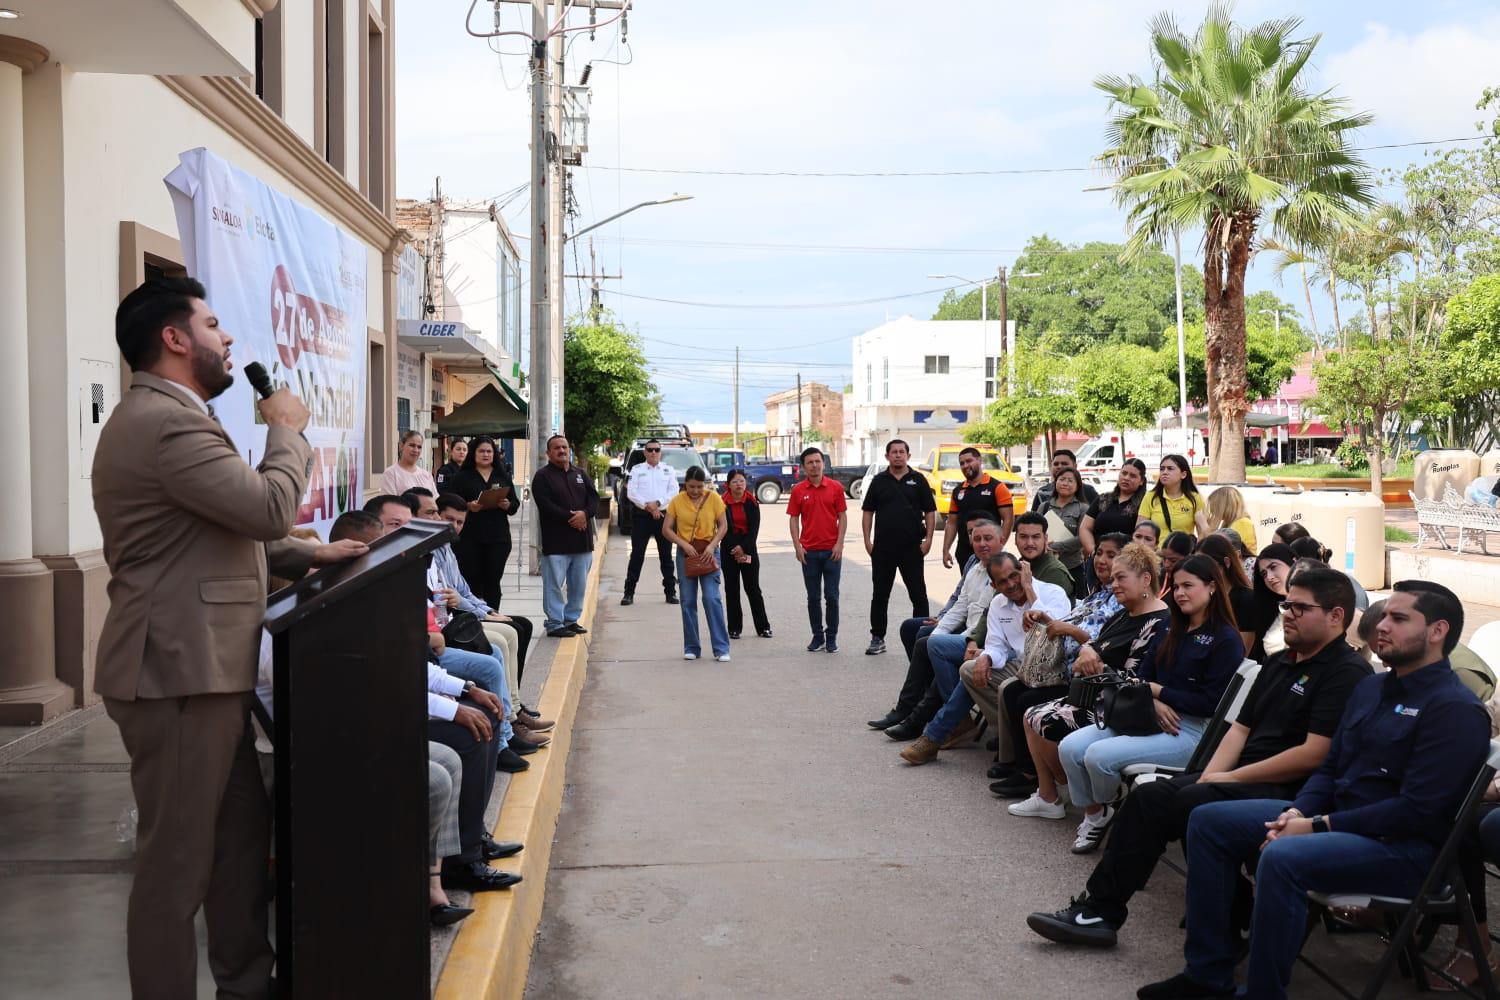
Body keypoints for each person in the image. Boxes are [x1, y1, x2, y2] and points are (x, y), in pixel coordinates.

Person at [93, 276, 366, 999]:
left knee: (239, 842)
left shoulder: (175, 419)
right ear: (176, 339)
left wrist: (314, 555)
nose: (229, 339)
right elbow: (269, 507)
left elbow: (218, 535)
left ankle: (246, 982)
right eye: (214, 325)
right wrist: (287, 428)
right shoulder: (165, 423)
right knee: (175, 867)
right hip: (176, 673)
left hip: (207, 668)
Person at [1138, 581, 1488, 1000]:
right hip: (1338, 821)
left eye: (1399, 618)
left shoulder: (1455, 709)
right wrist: (1299, 812)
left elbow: (1416, 812)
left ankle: (1263, 993)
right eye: (1383, 615)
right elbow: (1332, 766)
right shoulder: (1373, 687)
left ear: (1438, 632)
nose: (1382, 626)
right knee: (1208, 821)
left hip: (1403, 851)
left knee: (1284, 856)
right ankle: (1206, 975)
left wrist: (1316, 826)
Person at [1026, 567, 1370, 949]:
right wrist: (1212, 775)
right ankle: (1100, 911)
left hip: (1291, 790)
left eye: (1299, 608)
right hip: (1241, 777)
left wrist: (1227, 780)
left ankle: (1227, 921)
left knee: (1190, 803)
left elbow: (1312, 754)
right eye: (1287, 604)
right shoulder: (1282, 661)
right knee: (1151, 797)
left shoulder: (1347, 673)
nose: (1286, 613)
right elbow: (1239, 729)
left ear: (1336, 616)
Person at [1058, 554, 1244, 854]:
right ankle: (1098, 814)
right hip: (1146, 712)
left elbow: (1210, 703)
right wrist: (1153, 698)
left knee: (1097, 757)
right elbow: (1142, 677)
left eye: (1189, 586)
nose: (1180, 593)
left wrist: (1159, 692)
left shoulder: (1225, 639)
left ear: (1212, 587)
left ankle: (1118, 812)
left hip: (1190, 729)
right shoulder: (1173, 628)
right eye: (1177, 586)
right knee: (1069, 748)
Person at [997, 541, 1170, 808]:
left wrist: (1097, 664)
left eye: (1121, 578)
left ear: (1146, 579)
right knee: (1030, 714)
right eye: (1113, 579)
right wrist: (1089, 651)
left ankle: (1092, 804)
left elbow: (1136, 676)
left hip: (1122, 703)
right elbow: (1094, 644)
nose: (1114, 585)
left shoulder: (1159, 622)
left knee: (1042, 718)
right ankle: (1048, 796)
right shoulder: (1125, 615)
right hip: (1098, 692)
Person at [899, 552, 1071, 765]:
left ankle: (937, 735)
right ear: (994, 585)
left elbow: (1054, 633)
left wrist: (1029, 589)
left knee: (1005, 685)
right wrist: (987, 657)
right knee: (970, 668)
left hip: (1052, 669)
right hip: (1020, 667)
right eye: (1002, 582)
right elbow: (996, 645)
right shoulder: (998, 603)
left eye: (1014, 576)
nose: (1010, 584)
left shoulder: (1053, 592)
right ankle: (1002, 732)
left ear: (1024, 571)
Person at [432, 493, 550, 737]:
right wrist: (483, 613)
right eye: (447, 519)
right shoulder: (429, 554)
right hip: (450, 626)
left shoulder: (447, 548)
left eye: (459, 522)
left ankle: (515, 709)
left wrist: (488, 610)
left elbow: (462, 589)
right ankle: (510, 719)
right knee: (504, 637)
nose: (453, 527)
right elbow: (451, 598)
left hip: (459, 616)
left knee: (521, 626)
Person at [876, 519, 1006, 740]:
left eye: (988, 538)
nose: (982, 544)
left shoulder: (1004, 571)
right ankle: (923, 708)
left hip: (986, 639)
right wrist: (939, 633)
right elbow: (959, 606)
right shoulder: (975, 568)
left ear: (1002, 540)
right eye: (977, 539)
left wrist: (955, 641)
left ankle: (935, 713)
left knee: (931, 644)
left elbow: (985, 622)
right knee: (924, 636)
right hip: (970, 632)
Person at [861, 439, 936, 655]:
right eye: (893, 452)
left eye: (901, 452)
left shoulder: (919, 480)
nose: (898, 455)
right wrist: (867, 540)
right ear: (887, 456)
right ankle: (877, 638)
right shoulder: (879, 481)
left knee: (918, 594)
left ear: (908, 456)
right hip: (883, 549)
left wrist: (929, 539)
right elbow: (868, 512)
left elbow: (930, 511)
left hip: (912, 548)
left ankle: (921, 638)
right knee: (880, 595)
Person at [531, 434, 599, 638]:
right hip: (556, 543)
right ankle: (554, 623)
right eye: (557, 448)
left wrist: (585, 514)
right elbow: (545, 505)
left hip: (582, 542)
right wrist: (573, 518)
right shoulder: (542, 477)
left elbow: (593, 498)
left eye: (565, 447)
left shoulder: (580, 473)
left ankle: (570, 620)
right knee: (554, 586)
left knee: (578, 585)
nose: (562, 450)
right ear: (548, 453)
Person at [662, 466, 731, 662]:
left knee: (711, 598)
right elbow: (666, 529)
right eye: (692, 487)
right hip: (686, 554)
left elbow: (723, 525)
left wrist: (712, 546)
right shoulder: (676, 501)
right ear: (685, 485)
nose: (695, 491)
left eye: (699, 486)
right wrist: (683, 544)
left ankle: (721, 648)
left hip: (709, 552)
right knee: (688, 600)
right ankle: (692, 647)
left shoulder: (714, 498)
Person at [448, 435, 520, 609]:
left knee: (492, 580)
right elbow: (449, 503)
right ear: (474, 453)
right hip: (469, 538)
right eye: (481, 451)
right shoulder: (462, 477)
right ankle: (474, 618)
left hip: (498, 537)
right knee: (472, 579)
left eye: (489, 451)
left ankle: (494, 615)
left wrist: (508, 504)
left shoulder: (502, 475)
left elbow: (515, 504)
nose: (486, 454)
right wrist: (467, 506)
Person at [787, 446, 848, 653]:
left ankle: (831, 638)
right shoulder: (798, 490)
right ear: (804, 467)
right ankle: (817, 636)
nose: (814, 465)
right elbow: (794, 519)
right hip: (809, 553)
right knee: (813, 598)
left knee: (832, 597)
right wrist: (797, 546)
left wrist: (839, 543)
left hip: (832, 552)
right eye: (810, 462)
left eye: (817, 461)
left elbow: (842, 516)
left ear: (823, 463)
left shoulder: (835, 487)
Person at [621, 437, 680, 607]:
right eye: (650, 449)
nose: (653, 452)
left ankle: (670, 592)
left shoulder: (668, 470)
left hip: (663, 517)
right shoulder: (637, 469)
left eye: (657, 450)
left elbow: (674, 491)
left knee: (666, 556)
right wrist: (649, 507)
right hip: (642, 516)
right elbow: (632, 492)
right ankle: (628, 593)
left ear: (660, 453)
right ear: (645, 452)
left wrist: (658, 503)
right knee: (637, 555)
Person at [941, 446, 1015, 570]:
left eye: (969, 461)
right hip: (964, 551)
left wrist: (999, 545)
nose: (965, 465)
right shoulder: (958, 491)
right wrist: (945, 549)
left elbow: (1008, 519)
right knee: (969, 586)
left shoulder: (997, 487)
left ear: (980, 461)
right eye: (962, 463)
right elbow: (952, 523)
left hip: (989, 551)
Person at [720, 469, 772, 639]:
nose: (739, 484)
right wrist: (734, 547)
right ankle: (734, 628)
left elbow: (754, 530)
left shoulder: (752, 501)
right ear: (728, 484)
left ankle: (763, 627)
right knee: (732, 589)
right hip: (728, 550)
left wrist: (743, 548)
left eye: (741, 481)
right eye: (735, 481)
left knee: (753, 589)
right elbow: (722, 528)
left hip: (748, 548)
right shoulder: (721, 502)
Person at [1195, 533, 1261, 655]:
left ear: (1226, 562)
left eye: (1206, 565)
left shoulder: (1246, 599)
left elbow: (1241, 652)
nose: (1201, 571)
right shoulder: (1204, 597)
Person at [1036, 467, 1091, 597]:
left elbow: (1082, 538)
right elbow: (1035, 531)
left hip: (1072, 567)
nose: (1065, 483)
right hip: (1046, 566)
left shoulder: (1083, 508)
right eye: (1062, 479)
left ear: (1078, 486)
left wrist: (1057, 546)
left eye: (1070, 481)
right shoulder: (1044, 506)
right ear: (1055, 483)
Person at [1080, 458, 1149, 561]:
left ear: (1141, 481)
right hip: (1096, 559)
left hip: (1126, 562)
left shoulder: (1144, 504)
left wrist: (1121, 559)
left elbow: (1141, 537)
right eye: (1124, 473)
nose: (1126, 478)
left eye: (1132, 476)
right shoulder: (1103, 499)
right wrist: (1094, 552)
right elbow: (1085, 527)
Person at [1139, 454, 1208, 540]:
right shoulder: (1150, 497)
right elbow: (1139, 531)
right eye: (1162, 469)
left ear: (1183, 474)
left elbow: (1203, 535)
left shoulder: (1195, 498)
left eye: (1170, 468)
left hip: (1183, 552)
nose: (1164, 472)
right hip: (1155, 552)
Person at [1014, 511, 1078, 599]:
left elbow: (1047, 612)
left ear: (1045, 539)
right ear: (1015, 539)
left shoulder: (1056, 573)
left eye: (1036, 537)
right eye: (1023, 537)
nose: (1029, 543)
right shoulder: (1015, 566)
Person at [1250, 542, 1296, 662]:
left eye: (1273, 567)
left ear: (1294, 562)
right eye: (1264, 574)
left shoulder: (1317, 605)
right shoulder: (1269, 609)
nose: (1269, 577)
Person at [1031, 449, 1100, 509]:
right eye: (1056, 464)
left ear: (1075, 466)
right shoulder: (1042, 493)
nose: (1059, 466)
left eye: (1064, 464)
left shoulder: (1088, 491)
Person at [382, 428, 437, 495]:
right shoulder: (391, 474)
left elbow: (435, 500)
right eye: (412, 445)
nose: (416, 450)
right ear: (401, 446)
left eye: (419, 447)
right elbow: (391, 503)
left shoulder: (426, 475)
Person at [1205, 486, 1258, 552]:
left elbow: (1218, 550)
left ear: (1224, 506)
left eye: (1214, 505)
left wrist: (1208, 530)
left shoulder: (1242, 523)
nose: (1212, 510)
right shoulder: (1234, 522)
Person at [1157, 531, 1195, 597]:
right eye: (1164, 558)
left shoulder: (1193, 581)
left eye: (1173, 561)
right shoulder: (1158, 575)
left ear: (1187, 557)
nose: (1166, 565)